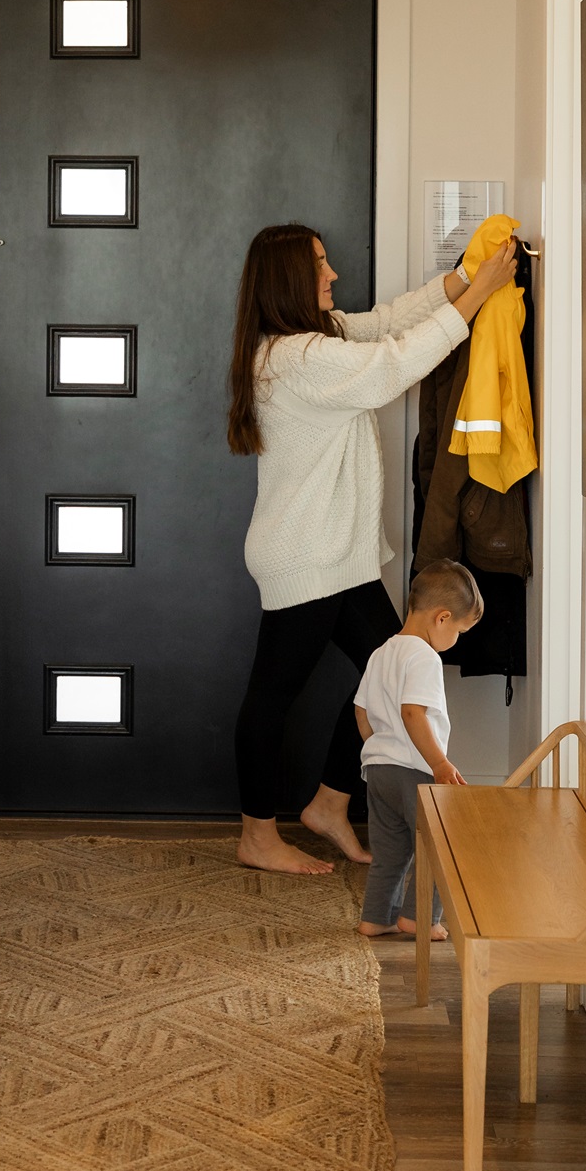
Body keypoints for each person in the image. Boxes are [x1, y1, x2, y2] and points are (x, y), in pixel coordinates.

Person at [227, 222, 515, 875]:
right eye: (320, 267)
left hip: (341, 560)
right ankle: (256, 833)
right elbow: (393, 365)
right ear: (290, 281)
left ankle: (329, 804)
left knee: (391, 671)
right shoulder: (296, 359)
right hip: (308, 561)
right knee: (272, 699)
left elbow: (389, 323)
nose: (331, 276)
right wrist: (476, 299)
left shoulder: (318, 340)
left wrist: (466, 278)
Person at [353, 559, 484, 938]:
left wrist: (379, 748)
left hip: (377, 771)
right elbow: (413, 713)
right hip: (415, 771)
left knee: (390, 852)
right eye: (460, 630)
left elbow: (361, 709)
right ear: (442, 619)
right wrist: (439, 763)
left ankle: (376, 918)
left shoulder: (382, 652)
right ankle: (419, 919)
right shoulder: (425, 656)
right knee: (443, 845)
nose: (456, 640)